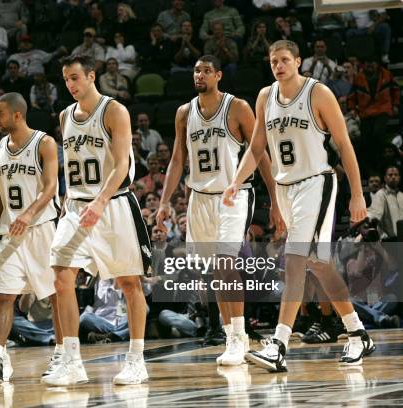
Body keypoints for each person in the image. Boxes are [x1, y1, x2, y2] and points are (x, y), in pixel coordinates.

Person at [223, 40, 375, 372]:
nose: (278, 65)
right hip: (285, 188)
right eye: (273, 61)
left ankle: (277, 345)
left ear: (298, 61)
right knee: (319, 264)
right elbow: (257, 147)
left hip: (316, 182)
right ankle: (357, 333)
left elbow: (344, 145)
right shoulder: (265, 96)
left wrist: (358, 194)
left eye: (284, 60)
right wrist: (236, 181)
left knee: (294, 259)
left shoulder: (317, 93)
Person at [156, 55, 281, 365]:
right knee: (213, 272)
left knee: (227, 263)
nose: (200, 75)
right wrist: (164, 201)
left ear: (219, 75)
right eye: (196, 70)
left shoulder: (237, 107)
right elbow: (176, 160)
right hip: (199, 195)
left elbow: (260, 153)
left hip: (233, 193)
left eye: (207, 71)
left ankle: (240, 337)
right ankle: (229, 335)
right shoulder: (184, 113)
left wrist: (276, 200)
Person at [44, 55, 151, 386]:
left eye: (76, 78)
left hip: (113, 205)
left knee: (129, 283)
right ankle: (72, 360)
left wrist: (101, 201)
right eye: (66, 80)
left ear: (92, 76)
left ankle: (136, 360)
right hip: (76, 207)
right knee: (61, 275)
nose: (71, 85)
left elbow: (121, 164)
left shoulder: (114, 110)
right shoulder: (64, 116)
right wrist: (68, 198)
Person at [0, 92, 61, 382]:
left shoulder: (44, 143)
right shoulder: (0, 148)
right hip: (10, 232)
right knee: (5, 295)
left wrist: (28, 213)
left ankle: (63, 354)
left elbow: (50, 188)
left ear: (17, 114)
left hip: (41, 229)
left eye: (0, 113)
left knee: (55, 296)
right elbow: (1, 196)